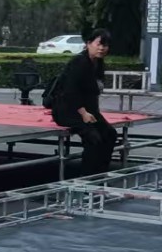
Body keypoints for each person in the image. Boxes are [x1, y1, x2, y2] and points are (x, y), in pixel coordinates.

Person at [49, 28, 116, 176]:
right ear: (88, 43)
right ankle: (87, 177)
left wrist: (93, 114)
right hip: (68, 111)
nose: (102, 48)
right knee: (93, 138)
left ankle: (101, 173)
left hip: (89, 111)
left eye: (105, 45)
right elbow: (69, 91)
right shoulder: (79, 62)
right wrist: (83, 113)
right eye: (98, 44)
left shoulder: (98, 64)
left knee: (110, 134)